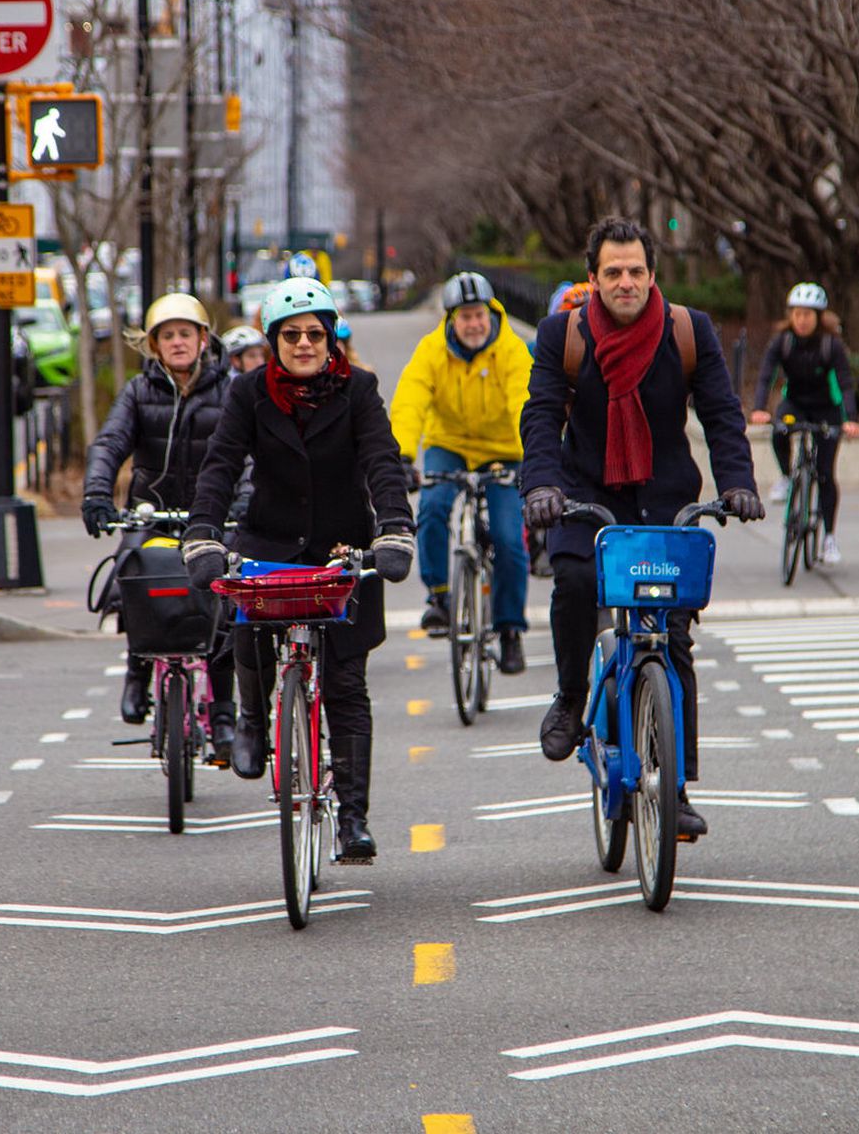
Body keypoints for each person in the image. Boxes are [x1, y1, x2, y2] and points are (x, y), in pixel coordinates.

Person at [520, 216, 763, 838]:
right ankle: (573, 697)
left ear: (652, 275)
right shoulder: (561, 335)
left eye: (635, 271)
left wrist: (738, 482)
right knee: (573, 582)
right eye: (612, 273)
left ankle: (674, 789)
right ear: (593, 279)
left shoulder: (688, 331)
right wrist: (543, 486)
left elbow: (720, 413)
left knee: (673, 640)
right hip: (585, 494)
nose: (625, 282)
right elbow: (542, 415)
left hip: (664, 498)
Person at [182, 277, 414, 861]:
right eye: (292, 335)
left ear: (332, 337)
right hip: (270, 540)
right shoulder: (248, 392)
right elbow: (220, 466)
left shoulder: (358, 389)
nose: (305, 344)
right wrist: (203, 532)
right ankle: (255, 722)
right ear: (273, 339)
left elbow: (383, 461)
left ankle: (352, 820)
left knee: (344, 682)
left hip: (342, 550)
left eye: (316, 333)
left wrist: (394, 529)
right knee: (251, 630)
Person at [81, 294, 236, 745]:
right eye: (167, 335)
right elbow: (109, 444)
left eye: (185, 333)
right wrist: (96, 494)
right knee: (129, 578)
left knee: (224, 600)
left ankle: (223, 710)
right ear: (154, 345)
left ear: (203, 339)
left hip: (213, 518)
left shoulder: (230, 390)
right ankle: (136, 674)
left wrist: (241, 501)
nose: (177, 342)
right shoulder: (138, 391)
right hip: (151, 513)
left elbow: (248, 458)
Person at [389, 271, 533, 673]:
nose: (473, 324)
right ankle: (439, 596)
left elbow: (524, 402)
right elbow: (410, 399)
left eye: (479, 315)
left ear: (490, 314)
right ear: (451, 319)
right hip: (448, 445)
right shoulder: (432, 349)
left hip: (504, 450)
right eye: (465, 317)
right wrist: (402, 455)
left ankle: (509, 631)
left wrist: (534, 458)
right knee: (432, 507)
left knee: (508, 538)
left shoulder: (511, 350)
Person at [750, 283, 859, 564]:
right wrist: (760, 408)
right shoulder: (783, 341)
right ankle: (788, 478)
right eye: (797, 314)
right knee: (780, 429)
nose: (802, 320)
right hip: (795, 405)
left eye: (808, 315)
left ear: (819, 317)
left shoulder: (830, 344)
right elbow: (766, 375)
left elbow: (845, 383)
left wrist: (850, 419)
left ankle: (829, 538)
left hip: (827, 409)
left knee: (824, 472)